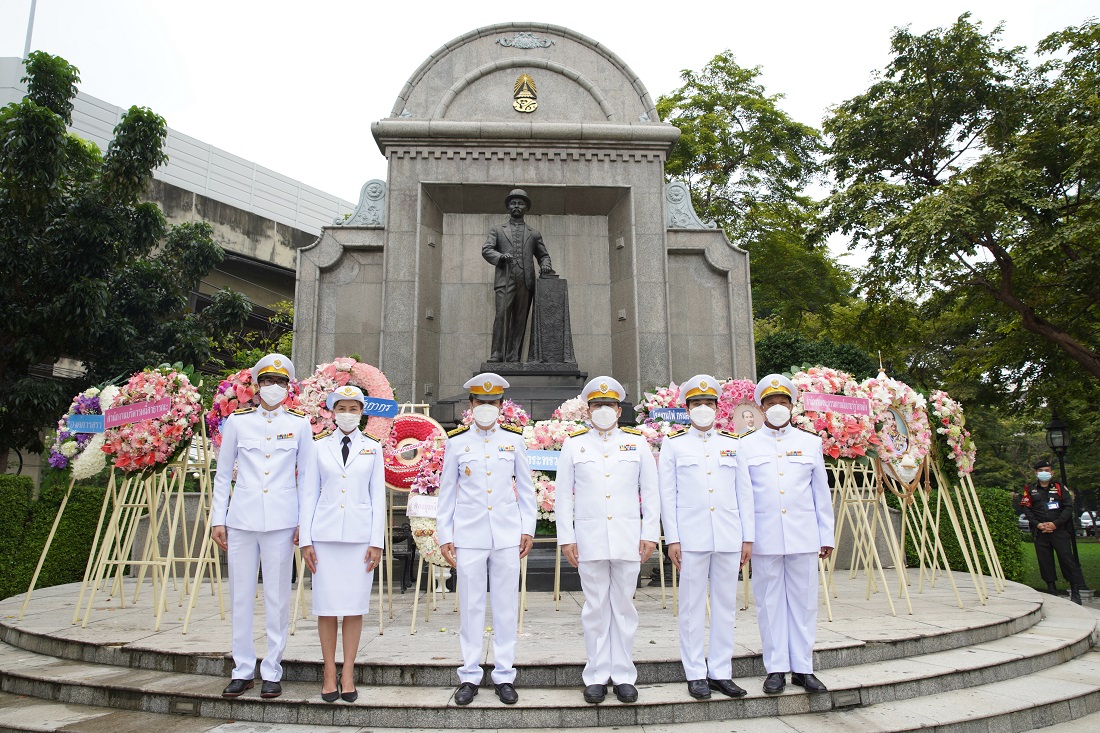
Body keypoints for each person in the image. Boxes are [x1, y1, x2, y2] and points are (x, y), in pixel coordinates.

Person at [211, 354, 315, 699]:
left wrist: (305, 523)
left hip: (282, 521)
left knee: (277, 597)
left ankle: (272, 669)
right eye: (268, 382)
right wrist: (217, 519)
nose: (274, 388)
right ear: (257, 386)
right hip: (241, 519)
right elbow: (223, 474)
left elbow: (308, 479)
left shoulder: (300, 424)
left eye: (281, 383)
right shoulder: (238, 422)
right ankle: (242, 669)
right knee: (240, 595)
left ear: (289, 388)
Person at [556, 376, 660, 704]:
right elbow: (562, 497)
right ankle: (597, 675)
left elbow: (651, 493)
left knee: (624, 607)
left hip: (629, 538)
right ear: (588, 410)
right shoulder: (574, 444)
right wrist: (566, 538)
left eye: (610, 405)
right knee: (596, 608)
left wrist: (650, 534)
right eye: (598, 405)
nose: (603, 410)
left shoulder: (637, 443)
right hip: (589, 539)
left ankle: (625, 674)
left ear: (619, 409)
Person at [437, 373, 537, 706]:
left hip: (507, 534)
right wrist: (445, 534)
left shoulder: (514, 440)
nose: (487, 408)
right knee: (471, 605)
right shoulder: (456, 443)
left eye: (493, 403)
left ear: (501, 406)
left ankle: (505, 674)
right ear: (471, 405)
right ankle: (469, 674)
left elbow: (525, 490)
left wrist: (528, 528)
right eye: (481, 402)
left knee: (506, 606)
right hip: (469, 534)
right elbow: (446, 494)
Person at [658, 374, 755, 700]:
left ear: (718, 407)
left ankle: (721, 672)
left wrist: (748, 537)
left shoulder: (732, 444)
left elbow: (745, 494)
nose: (703, 408)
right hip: (691, 539)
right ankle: (695, 672)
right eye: (697, 403)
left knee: (726, 606)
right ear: (687, 408)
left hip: (728, 537)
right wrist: (673, 539)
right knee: (691, 606)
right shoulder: (674, 444)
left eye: (708, 403)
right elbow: (667, 496)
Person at [737, 374, 834, 695]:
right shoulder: (747, 445)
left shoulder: (810, 442)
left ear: (792, 406)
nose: (777, 407)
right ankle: (776, 667)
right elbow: (744, 497)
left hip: (803, 536)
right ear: (761, 408)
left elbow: (821, 493)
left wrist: (826, 535)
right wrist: (746, 538)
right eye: (770, 402)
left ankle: (803, 668)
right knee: (769, 603)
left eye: (783, 402)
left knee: (804, 603)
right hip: (764, 539)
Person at [299, 385, 386, 702]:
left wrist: (376, 541)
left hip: (360, 540)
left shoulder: (372, 448)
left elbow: (378, 496)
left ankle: (348, 671)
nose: (347, 414)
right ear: (332, 412)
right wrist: (306, 540)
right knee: (326, 608)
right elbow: (309, 493)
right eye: (342, 408)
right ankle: (327, 672)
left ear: (362, 413)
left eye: (353, 409)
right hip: (324, 538)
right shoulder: (318, 446)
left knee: (353, 608)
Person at [482, 189, 554, 362]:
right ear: (508, 207)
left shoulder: (534, 233)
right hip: (505, 279)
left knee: (520, 320)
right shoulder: (497, 230)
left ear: (526, 208)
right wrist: (500, 257)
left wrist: (545, 265)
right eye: (513, 203)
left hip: (526, 281)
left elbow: (543, 255)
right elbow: (487, 250)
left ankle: (514, 356)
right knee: (501, 316)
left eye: (520, 203)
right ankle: (497, 353)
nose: (516, 206)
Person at [1020, 459, 1086, 604]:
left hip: (1059, 531)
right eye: (1041, 471)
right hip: (1040, 532)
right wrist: (1038, 525)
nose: (1044, 473)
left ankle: (1075, 592)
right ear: (1036, 473)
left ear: (1052, 472)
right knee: (1045, 562)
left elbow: (1068, 507)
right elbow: (1027, 509)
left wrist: (1055, 524)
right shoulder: (1030, 489)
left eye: (1047, 470)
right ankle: (1052, 591)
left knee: (1067, 560)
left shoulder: (1059, 487)